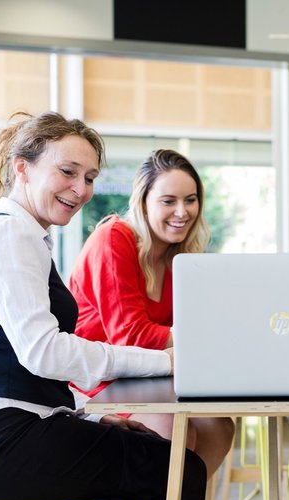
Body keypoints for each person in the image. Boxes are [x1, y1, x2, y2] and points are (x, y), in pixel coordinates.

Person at [0, 111, 206, 500]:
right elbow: (45, 352)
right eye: (68, 172)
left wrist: (86, 418)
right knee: (179, 469)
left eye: (91, 177)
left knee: (156, 456)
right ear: (22, 168)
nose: (81, 189)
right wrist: (164, 362)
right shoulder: (7, 233)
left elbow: (29, 368)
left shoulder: (24, 234)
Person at [68, 149, 235, 479]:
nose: (182, 211)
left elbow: (193, 325)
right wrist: (202, 339)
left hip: (145, 380)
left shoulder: (179, 258)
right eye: (168, 200)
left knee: (218, 427)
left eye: (190, 200)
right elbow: (131, 336)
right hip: (96, 385)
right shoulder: (113, 238)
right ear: (143, 202)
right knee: (170, 428)